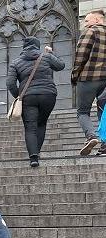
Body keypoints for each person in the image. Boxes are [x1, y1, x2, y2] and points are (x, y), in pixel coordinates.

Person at [7, 37, 66, 167]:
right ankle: (37, 151)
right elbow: (61, 65)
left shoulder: (16, 62)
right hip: (48, 95)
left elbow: (10, 83)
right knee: (41, 123)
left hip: (28, 98)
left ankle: (33, 157)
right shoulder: (46, 57)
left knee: (30, 127)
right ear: (37, 46)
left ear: (24, 47)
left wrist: (19, 96)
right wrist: (51, 52)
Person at [72, 10, 106, 155]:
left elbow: (80, 55)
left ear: (98, 20)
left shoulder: (90, 32)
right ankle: (104, 145)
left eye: (87, 20)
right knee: (103, 112)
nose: (85, 24)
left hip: (88, 78)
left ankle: (91, 136)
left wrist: (74, 75)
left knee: (82, 112)